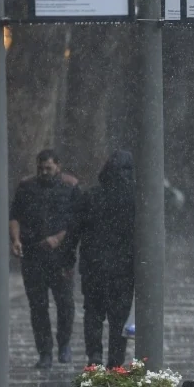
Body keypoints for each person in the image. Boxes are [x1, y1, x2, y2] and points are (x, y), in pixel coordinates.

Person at [64, 151, 136, 369]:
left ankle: (94, 356)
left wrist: (68, 259)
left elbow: (74, 230)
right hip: (123, 270)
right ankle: (115, 362)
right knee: (118, 319)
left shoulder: (91, 196)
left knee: (93, 314)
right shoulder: (135, 199)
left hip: (94, 267)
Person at [10, 149, 80, 368]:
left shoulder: (70, 186)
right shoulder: (26, 187)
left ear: (57, 167)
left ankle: (64, 344)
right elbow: (15, 216)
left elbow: (78, 220)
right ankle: (45, 351)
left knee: (65, 304)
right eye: (41, 168)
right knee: (38, 307)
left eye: (48, 168)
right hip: (33, 254)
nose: (44, 172)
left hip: (61, 256)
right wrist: (16, 239)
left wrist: (59, 238)